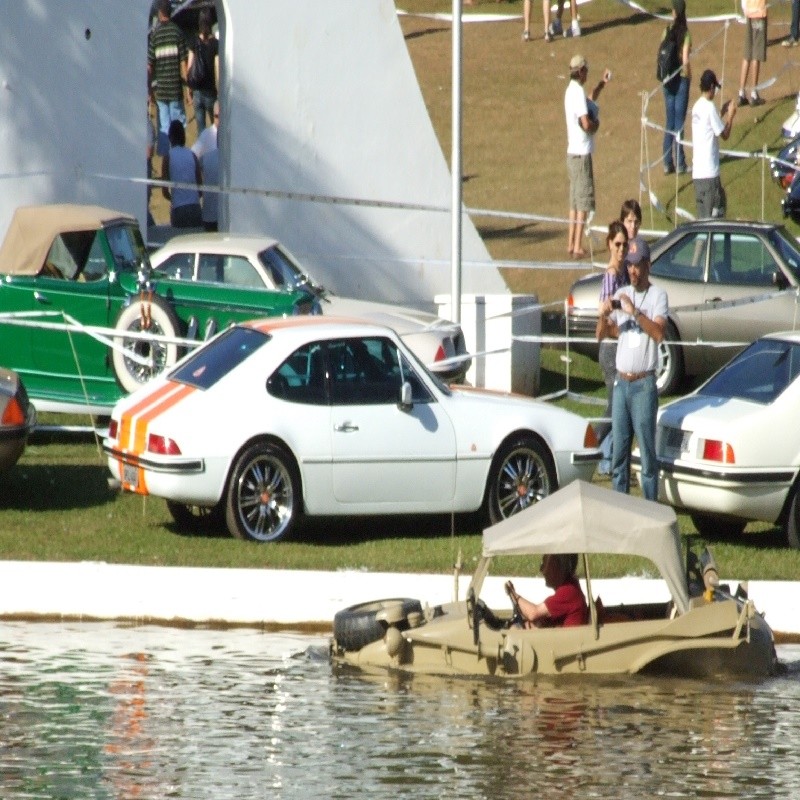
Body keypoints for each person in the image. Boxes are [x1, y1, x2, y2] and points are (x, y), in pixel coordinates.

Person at [596, 237, 668, 501]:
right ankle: (621, 513)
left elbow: (659, 333)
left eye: (637, 265)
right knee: (619, 457)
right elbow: (602, 335)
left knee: (647, 457)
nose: (633, 271)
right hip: (621, 383)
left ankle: (650, 512)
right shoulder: (620, 293)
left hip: (643, 385)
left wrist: (634, 311)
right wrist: (603, 314)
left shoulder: (658, 295)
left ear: (648, 265)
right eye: (629, 266)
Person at [564, 54, 610, 258]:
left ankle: (570, 243)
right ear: (580, 71)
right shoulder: (577, 92)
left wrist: (602, 84)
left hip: (572, 153)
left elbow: (589, 100)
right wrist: (596, 126)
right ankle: (577, 246)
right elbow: (585, 123)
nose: (587, 74)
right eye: (586, 71)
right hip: (581, 154)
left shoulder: (571, 91)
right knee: (582, 202)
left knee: (574, 202)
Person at [596, 220, 630, 474]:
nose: (621, 249)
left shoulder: (623, 273)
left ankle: (611, 462)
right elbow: (605, 313)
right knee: (613, 408)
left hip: (621, 346)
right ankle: (590, 447)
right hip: (611, 348)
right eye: (617, 244)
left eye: (624, 244)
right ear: (609, 244)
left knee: (618, 407)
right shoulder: (611, 275)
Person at [691, 69, 736, 219]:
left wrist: (721, 113)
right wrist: (730, 116)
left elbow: (708, 127)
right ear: (711, 87)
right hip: (710, 175)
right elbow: (724, 135)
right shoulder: (709, 107)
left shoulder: (697, 107)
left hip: (698, 175)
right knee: (716, 216)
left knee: (702, 219)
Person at [148, 0, 191, 156]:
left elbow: (150, 66)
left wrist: (149, 91)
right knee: (178, 126)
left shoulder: (155, 36)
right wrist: (188, 89)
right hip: (175, 89)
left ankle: (166, 161)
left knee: (164, 128)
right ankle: (178, 157)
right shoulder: (177, 32)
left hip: (162, 90)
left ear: (160, 13)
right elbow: (183, 64)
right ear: (170, 12)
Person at [504, 554, 588, 628]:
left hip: (565, 643)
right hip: (561, 640)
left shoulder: (568, 591)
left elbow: (533, 613)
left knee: (515, 629)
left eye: (545, 564)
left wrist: (513, 593)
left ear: (557, 567)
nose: (541, 570)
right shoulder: (571, 587)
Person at [660, 0, 692, 175]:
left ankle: (667, 162)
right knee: (679, 123)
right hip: (681, 81)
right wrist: (689, 76)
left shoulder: (666, 30)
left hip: (667, 81)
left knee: (669, 122)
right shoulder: (685, 33)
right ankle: (680, 163)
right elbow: (685, 59)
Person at [162, 120, 203, 228]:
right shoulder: (192, 155)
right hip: (195, 207)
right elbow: (200, 188)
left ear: (170, 137)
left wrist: (174, 199)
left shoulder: (168, 157)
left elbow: (164, 190)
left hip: (179, 209)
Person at [187, 8, 219, 137]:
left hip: (197, 92)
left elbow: (189, 67)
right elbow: (217, 69)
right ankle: (215, 154)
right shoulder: (215, 44)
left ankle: (202, 156)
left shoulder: (194, 42)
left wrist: (188, 90)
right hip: (210, 91)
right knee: (216, 127)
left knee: (201, 130)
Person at [737, 0, 768, 107]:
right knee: (756, 52)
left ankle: (741, 93)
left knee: (748, 53)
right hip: (758, 14)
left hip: (749, 13)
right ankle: (754, 93)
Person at [200, 106, 220, 232]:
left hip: (210, 214)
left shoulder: (206, 157)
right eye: (217, 116)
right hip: (214, 214)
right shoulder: (206, 135)